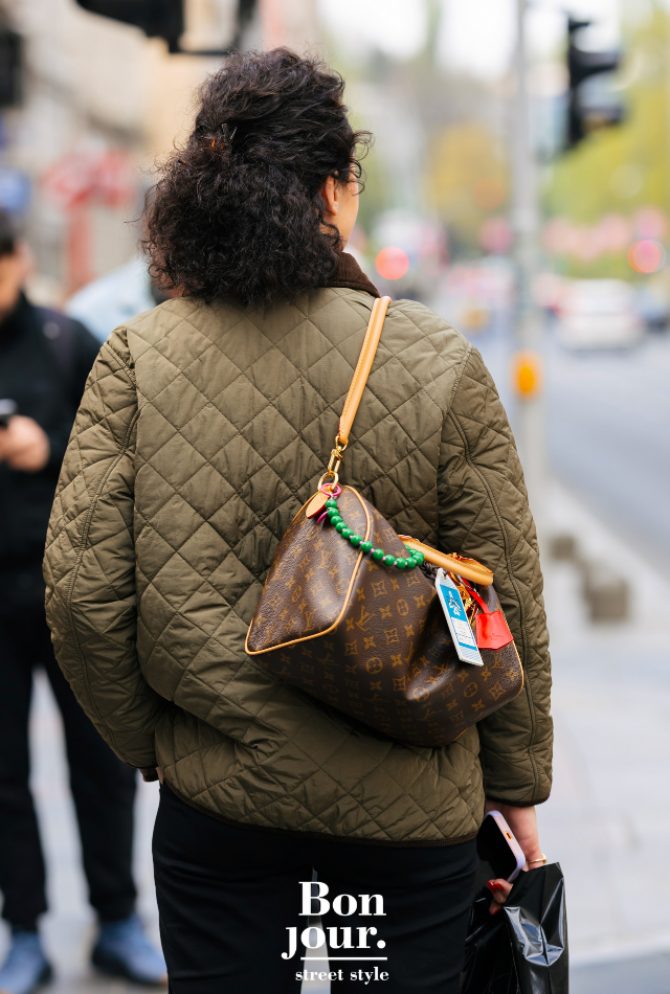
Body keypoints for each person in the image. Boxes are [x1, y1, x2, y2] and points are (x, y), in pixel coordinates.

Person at [43, 49, 553, 994]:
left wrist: (154, 743)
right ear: (335, 191)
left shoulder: (137, 359)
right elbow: (504, 592)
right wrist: (517, 780)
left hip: (222, 828)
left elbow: (81, 595)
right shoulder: (438, 358)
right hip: (412, 826)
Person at [0, 211, 167, 994]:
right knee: (4, 776)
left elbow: (123, 453)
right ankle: (25, 929)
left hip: (72, 595)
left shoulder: (71, 341)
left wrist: (48, 446)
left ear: (19, 260)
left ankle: (117, 920)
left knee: (100, 767)